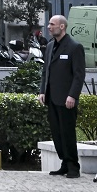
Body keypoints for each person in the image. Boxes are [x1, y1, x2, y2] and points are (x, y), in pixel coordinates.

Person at [38, 14, 86, 179]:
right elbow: (46, 71)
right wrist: (42, 91)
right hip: (52, 98)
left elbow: (79, 75)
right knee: (57, 133)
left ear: (62, 27)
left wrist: (72, 95)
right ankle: (64, 163)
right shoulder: (50, 46)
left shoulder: (74, 47)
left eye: (52, 24)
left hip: (67, 99)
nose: (49, 27)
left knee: (67, 133)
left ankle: (73, 166)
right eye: (49, 24)